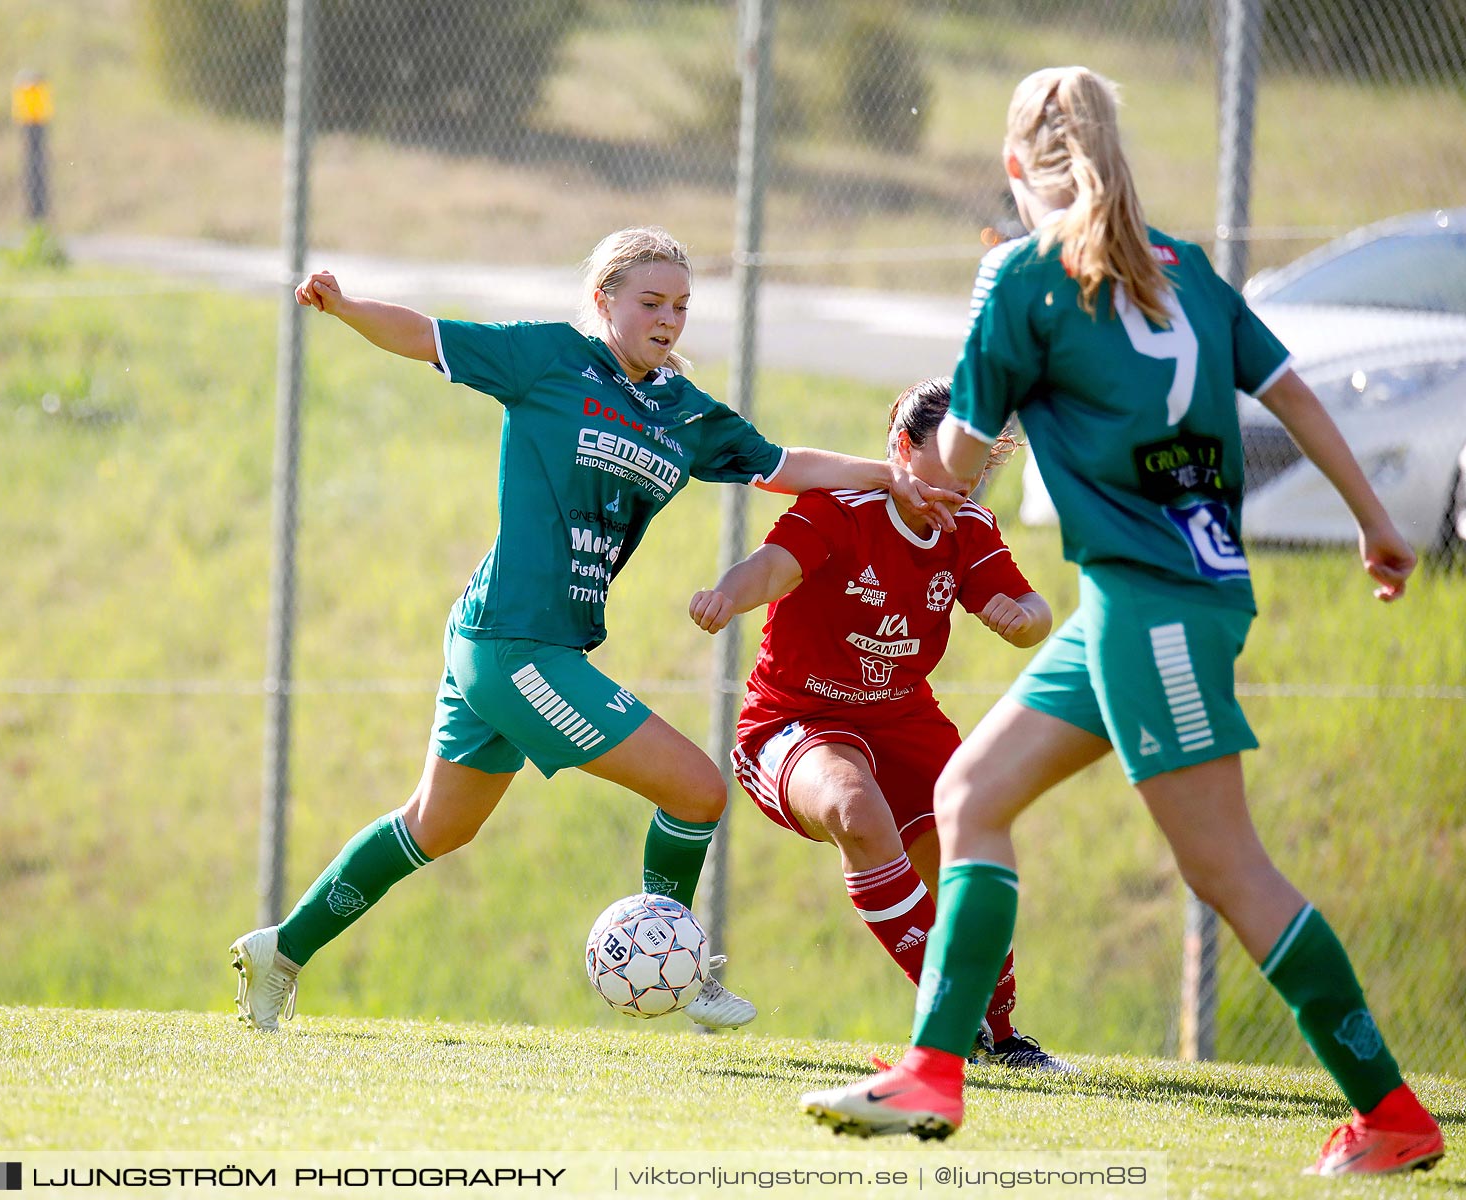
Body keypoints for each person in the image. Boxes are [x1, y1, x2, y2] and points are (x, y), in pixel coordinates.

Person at [798, 67, 1443, 1178]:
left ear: (1013, 166)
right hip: (1141, 601)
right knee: (970, 795)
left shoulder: (1019, 277)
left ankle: (1390, 1111)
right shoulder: (1184, 268)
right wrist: (1378, 520)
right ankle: (935, 1074)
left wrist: (942, 437)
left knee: (1229, 871)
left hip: (1155, 608)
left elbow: (954, 469)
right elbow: (1289, 390)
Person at [229, 226, 966, 1035]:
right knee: (697, 789)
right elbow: (427, 335)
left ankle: (281, 952)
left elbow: (778, 463)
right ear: (602, 299)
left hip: (518, 641)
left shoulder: (680, 410)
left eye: (681, 306)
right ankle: (681, 969)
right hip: (514, 642)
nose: (668, 319)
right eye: (650, 302)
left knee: (439, 824)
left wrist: (886, 474)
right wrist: (344, 306)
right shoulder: (549, 359)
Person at [689, 378, 1069, 1071]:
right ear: (903, 447)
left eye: (981, 465)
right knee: (853, 806)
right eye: (954, 458)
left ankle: (1003, 1037)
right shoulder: (841, 507)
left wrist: (1026, 619)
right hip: (795, 718)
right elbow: (772, 567)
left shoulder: (970, 530)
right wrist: (726, 595)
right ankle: (952, 1020)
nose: (967, 481)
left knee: (971, 847)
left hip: (903, 719)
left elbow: (1030, 607)